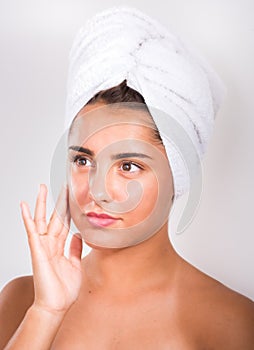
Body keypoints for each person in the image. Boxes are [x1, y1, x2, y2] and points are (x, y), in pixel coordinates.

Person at [0, 6, 254, 350]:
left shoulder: (233, 323)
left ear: (179, 175)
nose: (97, 190)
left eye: (128, 166)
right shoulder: (21, 301)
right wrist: (46, 312)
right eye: (83, 159)